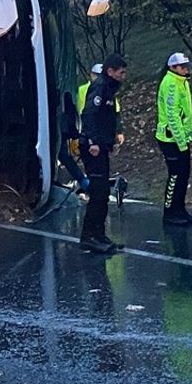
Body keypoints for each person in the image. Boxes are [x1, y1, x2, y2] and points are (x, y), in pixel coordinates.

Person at [79, 54, 128, 254]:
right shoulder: (100, 88)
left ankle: (99, 234)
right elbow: (89, 114)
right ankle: (89, 236)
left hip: (102, 145)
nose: (124, 76)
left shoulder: (109, 89)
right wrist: (93, 142)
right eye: (121, 72)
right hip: (93, 147)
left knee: (102, 193)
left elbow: (107, 118)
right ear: (110, 71)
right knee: (98, 193)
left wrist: (112, 138)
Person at [156, 52, 192, 225]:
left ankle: (180, 208)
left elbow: (185, 113)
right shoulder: (171, 83)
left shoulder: (182, 82)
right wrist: (181, 142)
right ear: (172, 67)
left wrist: (190, 135)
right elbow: (172, 115)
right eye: (182, 66)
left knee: (184, 174)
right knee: (175, 175)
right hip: (169, 139)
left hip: (180, 138)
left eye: (186, 66)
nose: (186, 69)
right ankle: (170, 211)